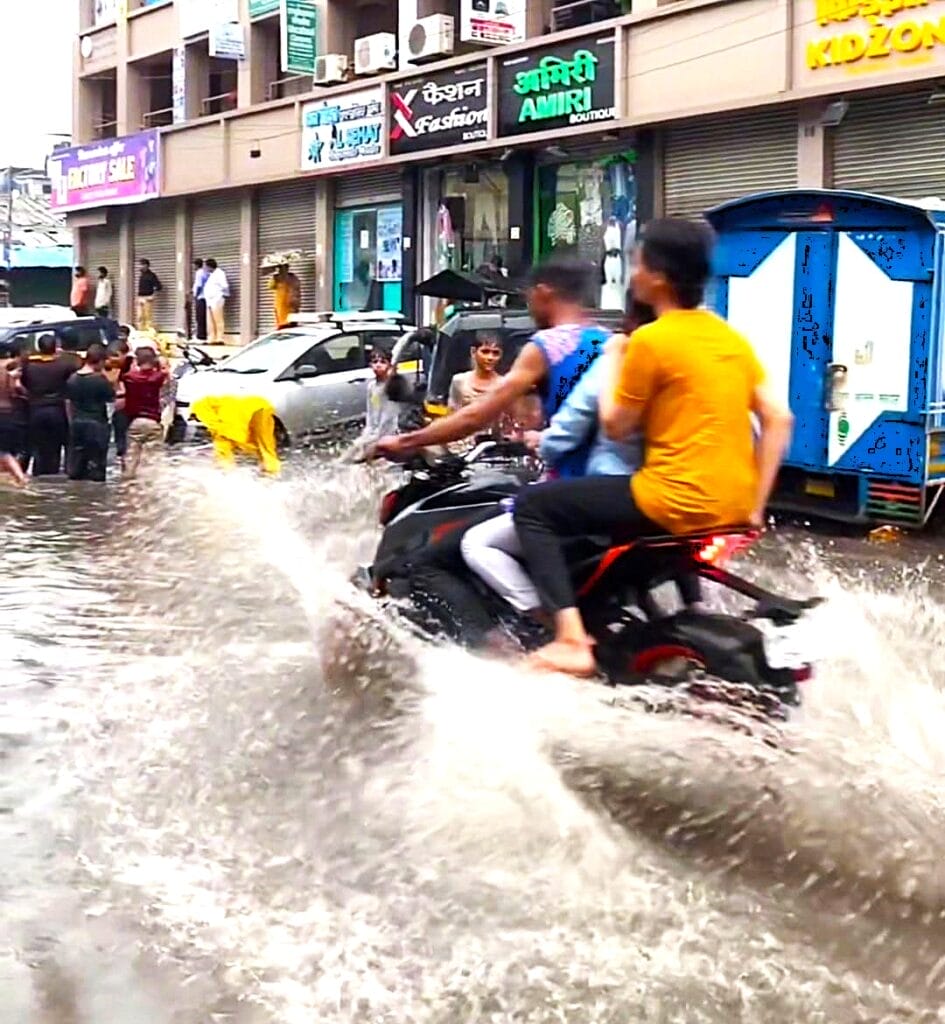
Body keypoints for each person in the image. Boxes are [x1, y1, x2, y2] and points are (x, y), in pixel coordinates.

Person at [511, 218, 795, 676]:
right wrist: (754, 506)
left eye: (637, 264)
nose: (632, 274)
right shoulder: (730, 337)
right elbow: (779, 418)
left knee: (532, 507)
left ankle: (570, 639)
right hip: (735, 506)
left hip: (669, 499)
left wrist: (616, 359)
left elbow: (616, 426)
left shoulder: (648, 341)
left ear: (659, 277)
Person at [459, 299, 656, 618]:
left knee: (493, 532)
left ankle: (551, 624)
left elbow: (572, 426)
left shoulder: (617, 361)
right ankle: (695, 604)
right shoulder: (692, 360)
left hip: (613, 492)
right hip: (681, 493)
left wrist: (540, 441)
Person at [374, 257, 609, 466]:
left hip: (569, 479)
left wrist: (407, 442)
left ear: (543, 292)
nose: (529, 307)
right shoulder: (607, 340)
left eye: (529, 298)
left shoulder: (546, 346)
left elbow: (475, 417)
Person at [21, 334, 74, 475]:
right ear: (55, 348)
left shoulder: (29, 367)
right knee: (56, 448)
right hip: (57, 410)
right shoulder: (64, 365)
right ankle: (52, 476)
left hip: (35, 410)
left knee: (38, 448)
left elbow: (24, 384)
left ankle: (40, 476)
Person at [191, 394, 281, 475]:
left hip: (251, 411)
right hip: (260, 406)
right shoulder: (219, 403)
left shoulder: (200, 408)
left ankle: (226, 472)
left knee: (223, 442)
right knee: (265, 444)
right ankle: (272, 471)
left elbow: (217, 429)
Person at [65, 342, 114, 482]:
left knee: (76, 466)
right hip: (97, 424)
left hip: (77, 423)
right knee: (97, 468)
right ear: (100, 361)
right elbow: (111, 401)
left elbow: (68, 403)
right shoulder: (100, 380)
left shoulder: (72, 379)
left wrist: (71, 421)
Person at [122, 345, 168, 478]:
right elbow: (166, 380)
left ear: (137, 361)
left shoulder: (129, 378)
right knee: (152, 461)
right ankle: (150, 487)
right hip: (153, 422)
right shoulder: (159, 377)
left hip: (135, 422)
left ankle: (128, 486)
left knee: (131, 459)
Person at [448, 335, 503, 412]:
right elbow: (453, 413)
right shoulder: (459, 381)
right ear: (473, 352)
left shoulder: (504, 384)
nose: (490, 357)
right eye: (485, 352)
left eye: (495, 353)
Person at [0, 342, 27, 486]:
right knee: (6, 450)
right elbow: (16, 390)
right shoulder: (9, 371)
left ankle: (20, 477)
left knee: (3, 452)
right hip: (9, 414)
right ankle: (13, 479)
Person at [203, 258, 229, 344]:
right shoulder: (211, 274)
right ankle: (211, 338)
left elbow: (224, 286)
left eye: (206, 266)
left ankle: (220, 338)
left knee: (218, 319)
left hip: (217, 299)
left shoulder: (220, 273)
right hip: (209, 300)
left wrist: (223, 296)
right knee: (210, 320)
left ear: (210, 266)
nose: (205, 268)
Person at [269, 263, 301, 329]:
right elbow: (271, 286)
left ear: (287, 268)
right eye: (280, 268)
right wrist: (274, 279)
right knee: (281, 321)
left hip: (291, 303)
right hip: (280, 304)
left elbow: (297, 287)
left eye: (284, 268)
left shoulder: (292, 277)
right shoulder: (276, 278)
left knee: (290, 322)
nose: (282, 270)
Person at [136, 258, 162, 331]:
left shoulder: (152, 275)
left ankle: (148, 331)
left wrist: (153, 295)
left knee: (148, 316)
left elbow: (158, 286)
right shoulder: (141, 275)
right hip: (140, 297)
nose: (140, 267)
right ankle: (140, 330)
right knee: (139, 316)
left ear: (146, 265)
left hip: (148, 297)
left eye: (141, 265)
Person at [189, 258, 209, 341]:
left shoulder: (199, 273)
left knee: (200, 317)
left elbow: (199, 285)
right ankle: (203, 334)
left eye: (193, 264)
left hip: (200, 297)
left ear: (197, 265)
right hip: (205, 297)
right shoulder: (205, 273)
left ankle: (201, 335)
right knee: (203, 316)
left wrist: (195, 295)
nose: (192, 266)